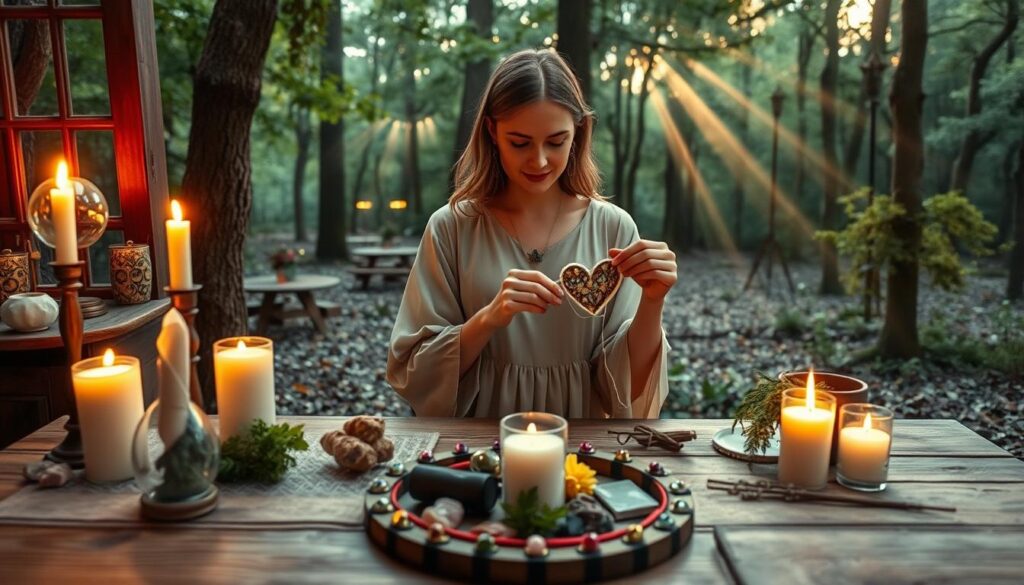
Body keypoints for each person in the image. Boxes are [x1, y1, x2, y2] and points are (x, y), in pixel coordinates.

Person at [387, 49, 677, 418]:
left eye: (556, 142)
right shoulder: (452, 227)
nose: (539, 161)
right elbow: (414, 373)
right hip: (475, 442)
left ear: (579, 132)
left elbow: (626, 391)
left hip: (580, 444)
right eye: (520, 142)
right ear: (492, 131)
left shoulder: (614, 227)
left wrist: (653, 301)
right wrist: (489, 318)